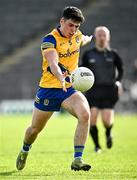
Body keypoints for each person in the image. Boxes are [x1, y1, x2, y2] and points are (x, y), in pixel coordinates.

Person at [16, 6, 93, 171]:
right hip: (49, 89)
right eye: (71, 25)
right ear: (62, 21)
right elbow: (52, 63)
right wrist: (60, 77)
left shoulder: (78, 36)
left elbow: (82, 39)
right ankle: (24, 149)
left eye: (77, 27)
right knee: (34, 130)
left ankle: (77, 160)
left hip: (69, 90)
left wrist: (88, 38)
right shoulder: (50, 40)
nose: (74, 30)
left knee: (85, 114)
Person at [81, 26, 124, 153]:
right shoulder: (88, 54)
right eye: (99, 35)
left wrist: (118, 82)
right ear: (95, 37)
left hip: (109, 91)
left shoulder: (113, 54)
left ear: (108, 37)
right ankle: (97, 146)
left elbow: (121, 69)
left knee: (106, 121)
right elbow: (82, 71)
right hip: (93, 91)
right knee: (92, 119)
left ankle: (108, 133)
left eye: (104, 35)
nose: (101, 37)